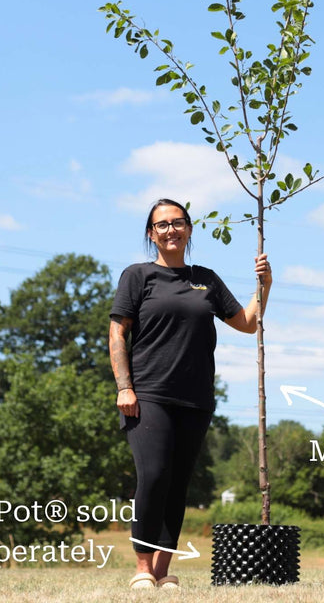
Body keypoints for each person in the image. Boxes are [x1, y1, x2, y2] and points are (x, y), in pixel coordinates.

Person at [109, 198, 272, 590]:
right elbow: (118, 333)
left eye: (177, 222)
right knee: (153, 475)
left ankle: (163, 573)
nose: (170, 229)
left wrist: (264, 285)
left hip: (196, 398)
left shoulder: (207, 279)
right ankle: (143, 569)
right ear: (152, 234)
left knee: (178, 482)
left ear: (189, 229)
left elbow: (248, 324)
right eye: (161, 225)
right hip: (148, 394)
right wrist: (124, 387)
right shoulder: (138, 276)